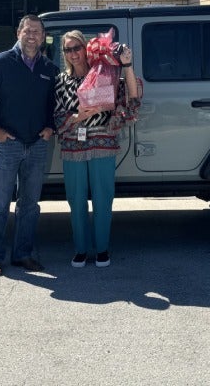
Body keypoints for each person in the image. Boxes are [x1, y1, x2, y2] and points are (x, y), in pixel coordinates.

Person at [0, 15, 58, 277]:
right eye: (27, 30)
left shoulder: (49, 68)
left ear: (43, 37)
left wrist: (50, 126)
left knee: (30, 204)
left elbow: (54, 104)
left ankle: (23, 254)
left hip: (37, 145)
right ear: (18, 33)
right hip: (8, 144)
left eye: (37, 32)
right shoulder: (0, 63)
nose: (32, 35)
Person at [53, 30, 142, 268]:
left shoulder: (105, 74)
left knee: (103, 199)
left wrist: (128, 65)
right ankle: (81, 249)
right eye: (67, 50)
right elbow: (57, 115)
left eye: (76, 48)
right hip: (73, 146)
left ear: (86, 48)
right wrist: (77, 116)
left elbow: (132, 97)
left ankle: (102, 249)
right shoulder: (61, 81)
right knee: (76, 199)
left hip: (103, 143)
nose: (73, 54)